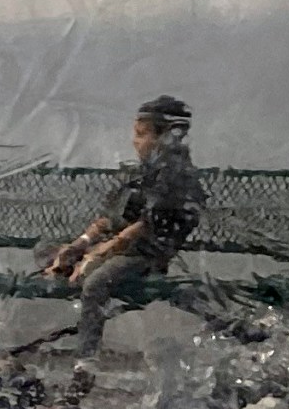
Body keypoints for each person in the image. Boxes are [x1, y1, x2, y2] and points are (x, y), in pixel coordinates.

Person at [45, 95, 207, 358]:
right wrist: (79, 245)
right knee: (49, 251)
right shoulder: (140, 172)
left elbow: (145, 225)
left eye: (142, 134)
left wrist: (97, 255)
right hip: (117, 248)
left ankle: (86, 363)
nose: (135, 141)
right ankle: (73, 269)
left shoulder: (174, 176)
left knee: (95, 285)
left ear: (165, 137)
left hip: (143, 256)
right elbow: (111, 218)